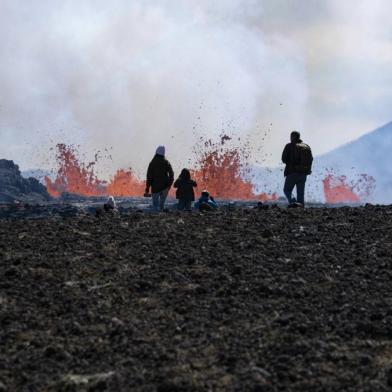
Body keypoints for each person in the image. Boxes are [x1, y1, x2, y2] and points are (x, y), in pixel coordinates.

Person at [281, 131, 313, 206]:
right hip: (303, 173)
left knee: (287, 190)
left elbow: (283, 159)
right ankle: (300, 207)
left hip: (292, 172)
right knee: (300, 193)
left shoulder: (289, 146)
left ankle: (293, 202)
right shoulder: (306, 146)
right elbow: (311, 159)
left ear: (292, 137)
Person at [145, 145, 174, 211]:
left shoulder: (152, 163)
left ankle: (155, 219)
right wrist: (169, 185)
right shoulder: (166, 162)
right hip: (165, 187)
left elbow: (149, 176)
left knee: (155, 206)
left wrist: (147, 188)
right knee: (161, 206)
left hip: (155, 188)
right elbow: (171, 174)